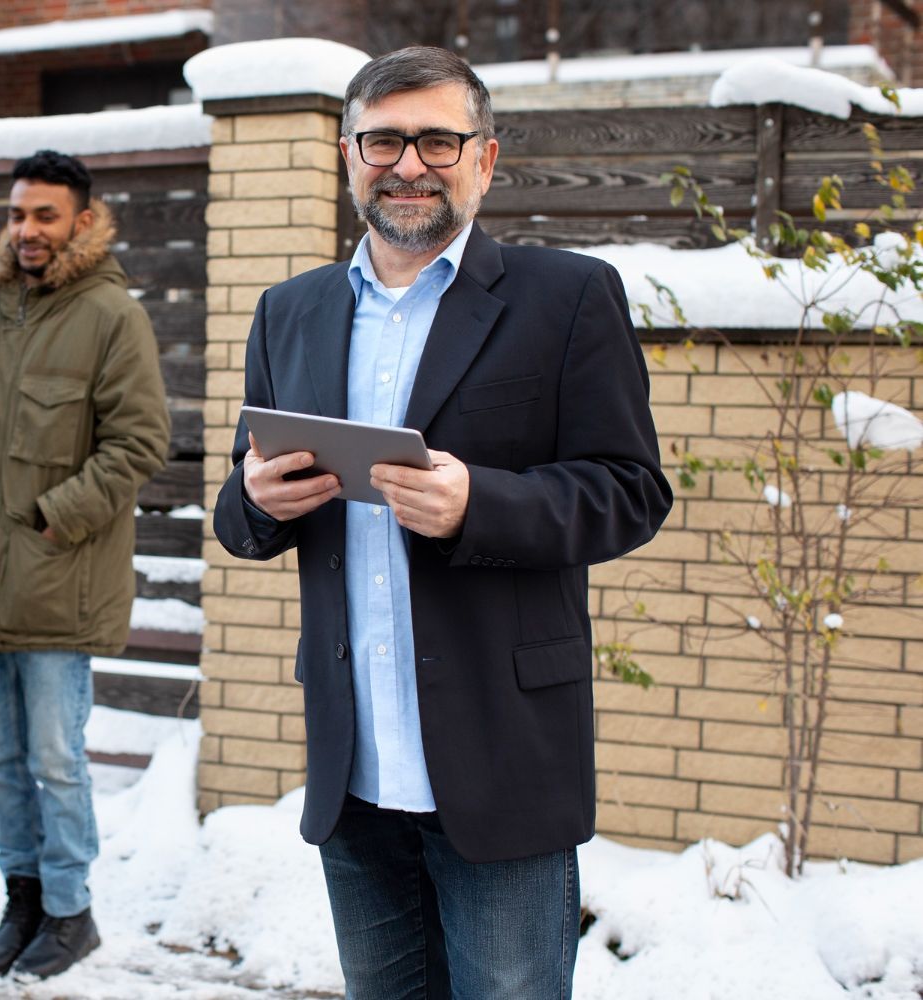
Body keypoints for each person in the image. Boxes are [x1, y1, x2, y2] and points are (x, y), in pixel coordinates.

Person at [213, 47, 672, 1000]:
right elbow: (238, 505)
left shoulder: (567, 296)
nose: (409, 163)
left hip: (501, 762)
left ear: (485, 159)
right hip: (355, 771)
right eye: (384, 140)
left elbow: (632, 491)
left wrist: (481, 503)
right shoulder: (288, 312)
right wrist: (255, 503)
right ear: (348, 156)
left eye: (437, 139)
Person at [0, 149, 170, 979]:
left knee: (56, 759)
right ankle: (21, 895)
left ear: (83, 220)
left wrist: (51, 518)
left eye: (45, 216)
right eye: (18, 214)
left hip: (56, 577)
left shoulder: (111, 317)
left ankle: (71, 911)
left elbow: (140, 442)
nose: (27, 231)